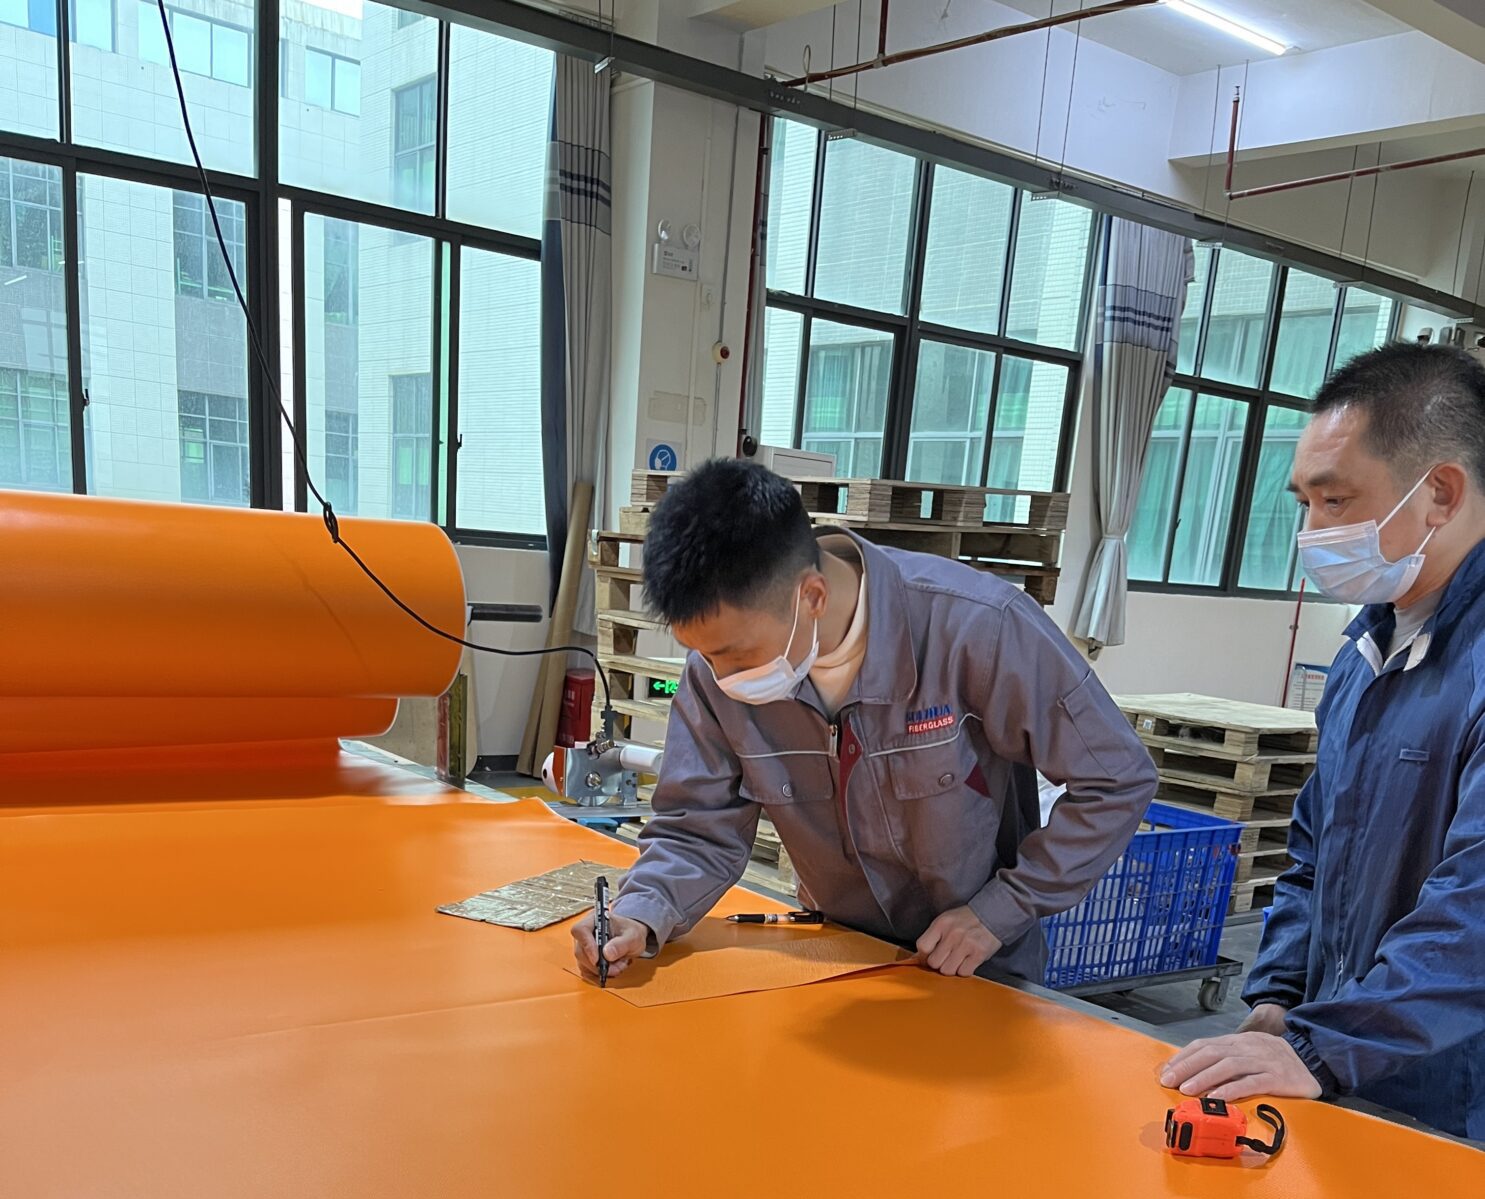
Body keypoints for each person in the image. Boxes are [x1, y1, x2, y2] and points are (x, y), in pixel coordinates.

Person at [573, 459, 1155, 985]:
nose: (722, 678)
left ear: (814, 596)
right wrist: (639, 913)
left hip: (978, 969)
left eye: (737, 655)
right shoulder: (715, 672)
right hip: (841, 956)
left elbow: (1117, 779)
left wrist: (1002, 910)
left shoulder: (979, 629)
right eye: (704, 655)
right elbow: (698, 825)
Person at [1162, 341, 1485, 1141]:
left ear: (1439, 491)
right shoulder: (1366, 651)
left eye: (1335, 502)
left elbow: (1475, 908)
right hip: (1354, 1062)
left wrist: (1325, 1043)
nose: (1312, 532)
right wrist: (1280, 999)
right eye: (1302, 503)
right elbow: (1316, 848)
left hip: (1457, 1096)